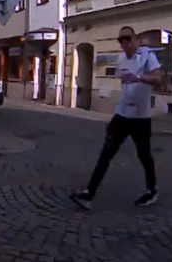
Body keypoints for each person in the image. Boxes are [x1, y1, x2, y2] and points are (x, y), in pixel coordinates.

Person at [70, 26, 162, 210]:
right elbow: (123, 81)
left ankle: (152, 190)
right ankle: (89, 194)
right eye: (120, 40)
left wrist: (139, 77)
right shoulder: (121, 59)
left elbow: (158, 79)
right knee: (106, 153)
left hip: (141, 118)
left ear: (135, 39)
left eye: (127, 38)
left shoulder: (147, 56)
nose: (123, 43)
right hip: (122, 115)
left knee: (144, 155)